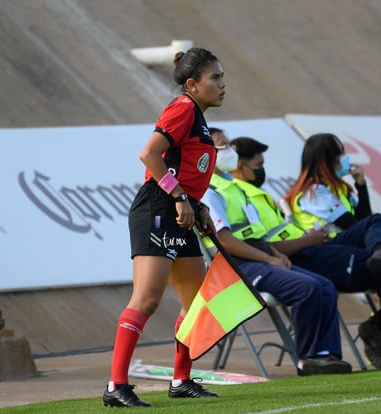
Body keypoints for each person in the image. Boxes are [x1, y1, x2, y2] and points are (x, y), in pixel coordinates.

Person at [102, 47, 225, 408]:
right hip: (158, 207)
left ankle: (181, 379)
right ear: (192, 84)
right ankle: (116, 386)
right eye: (214, 78)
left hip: (180, 210)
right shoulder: (183, 108)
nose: (222, 84)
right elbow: (149, 154)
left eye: (222, 76)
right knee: (147, 299)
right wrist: (180, 199)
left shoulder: (198, 116)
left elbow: (185, 168)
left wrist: (196, 204)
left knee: (194, 302)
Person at [200, 128, 352, 377]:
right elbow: (225, 242)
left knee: (325, 285)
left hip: (257, 255)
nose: (231, 152)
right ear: (205, 153)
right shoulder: (209, 189)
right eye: (223, 147)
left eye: (230, 145)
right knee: (307, 288)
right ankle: (307, 359)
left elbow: (253, 232)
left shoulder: (234, 187)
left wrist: (274, 253)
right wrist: (269, 258)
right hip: (234, 266)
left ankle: (327, 355)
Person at [283, 132, 381, 368]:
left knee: (375, 232)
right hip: (327, 250)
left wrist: (360, 186)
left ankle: (375, 327)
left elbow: (364, 223)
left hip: (351, 249)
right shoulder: (313, 192)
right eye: (340, 155)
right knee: (376, 223)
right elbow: (359, 225)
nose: (345, 159)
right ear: (327, 160)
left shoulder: (339, 189)